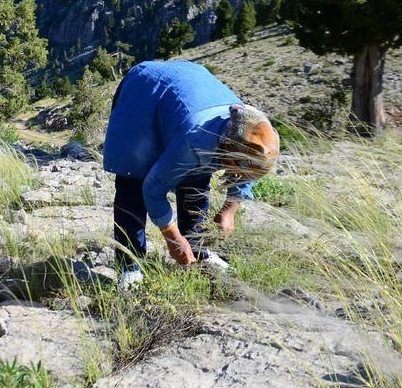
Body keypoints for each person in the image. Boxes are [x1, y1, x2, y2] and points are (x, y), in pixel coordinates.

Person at [103, 59, 280, 288]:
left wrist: (229, 210)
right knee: (133, 184)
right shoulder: (196, 139)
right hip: (145, 93)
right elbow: (154, 188)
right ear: (226, 148)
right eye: (236, 167)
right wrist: (172, 237)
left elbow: (249, 173)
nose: (239, 174)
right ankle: (130, 267)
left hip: (189, 93)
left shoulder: (254, 130)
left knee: (196, 179)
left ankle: (198, 250)